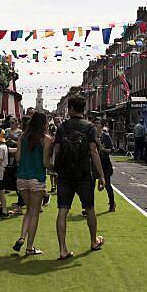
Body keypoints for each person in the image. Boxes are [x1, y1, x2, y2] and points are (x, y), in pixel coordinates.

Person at [53, 95, 106, 259]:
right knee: (89, 208)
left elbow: (57, 151)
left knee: (62, 211)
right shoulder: (89, 127)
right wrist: (101, 175)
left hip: (65, 175)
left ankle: (62, 249)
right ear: (84, 109)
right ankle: (93, 241)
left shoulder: (62, 128)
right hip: (84, 173)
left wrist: (56, 169)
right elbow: (93, 151)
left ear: (70, 109)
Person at [12, 112, 51, 256]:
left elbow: (17, 158)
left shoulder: (22, 137)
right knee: (35, 213)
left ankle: (22, 237)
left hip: (21, 178)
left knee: (29, 210)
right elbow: (46, 163)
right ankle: (29, 247)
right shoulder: (46, 139)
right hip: (36, 179)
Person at [94, 119, 116, 212]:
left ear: (102, 126)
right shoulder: (91, 136)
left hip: (105, 163)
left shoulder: (106, 136)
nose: (95, 124)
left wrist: (102, 148)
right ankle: (88, 207)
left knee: (107, 185)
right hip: (94, 163)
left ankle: (112, 203)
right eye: (94, 123)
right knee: (90, 185)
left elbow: (111, 150)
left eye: (97, 123)